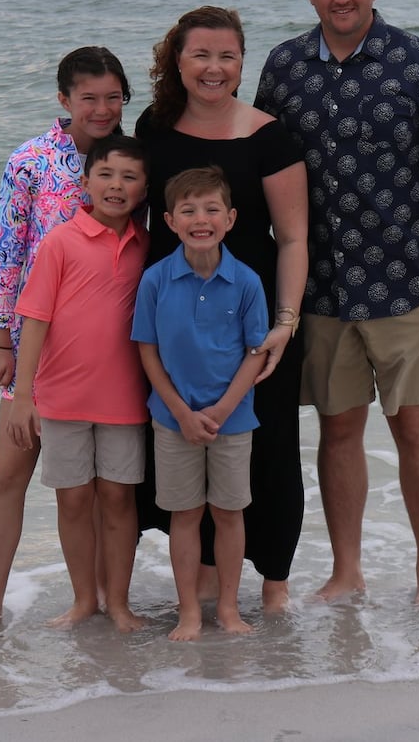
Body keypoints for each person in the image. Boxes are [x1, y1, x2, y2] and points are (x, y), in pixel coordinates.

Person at [253, 0, 419, 609]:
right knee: (338, 429)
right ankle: (347, 570)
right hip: (319, 290)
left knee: (414, 428)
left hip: (406, 283)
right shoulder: (285, 66)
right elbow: (258, 164)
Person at [0, 47, 131, 636]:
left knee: (101, 487)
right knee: (9, 474)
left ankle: (98, 598)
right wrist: (1, 342)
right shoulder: (31, 161)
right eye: (88, 98)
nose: (101, 109)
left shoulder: (132, 160)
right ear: (64, 101)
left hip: (112, 351)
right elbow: (6, 253)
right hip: (36, 351)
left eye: (112, 97)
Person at [134, 5, 308, 613]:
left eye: (227, 56)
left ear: (242, 62)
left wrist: (286, 324)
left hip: (255, 320)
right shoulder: (152, 128)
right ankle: (204, 574)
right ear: (176, 61)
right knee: (179, 442)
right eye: (200, 55)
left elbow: (292, 238)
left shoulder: (271, 135)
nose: (214, 68)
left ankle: (276, 581)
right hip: (173, 317)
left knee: (270, 447)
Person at [6, 135, 151, 631]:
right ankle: (83, 598)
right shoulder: (60, 241)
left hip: (125, 398)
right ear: (85, 183)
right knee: (72, 498)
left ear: (145, 188)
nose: (116, 186)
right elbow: (34, 319)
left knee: (117, 498)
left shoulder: (146, 246)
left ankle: (120, 602)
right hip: (62, 396)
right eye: (106, 175)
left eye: (130, 177)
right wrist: (24, 395)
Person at [133, 167, 268, 641]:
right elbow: (147, 351)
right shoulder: (155, 280)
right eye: (188, 210)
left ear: (230, 219)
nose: (200, 219)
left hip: (233, 419)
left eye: (211, 209)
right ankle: (188, 610)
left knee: (230, 514)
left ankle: (228, 609)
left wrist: (224, 408)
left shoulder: (247, 281)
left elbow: (256, 353)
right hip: (173, 420)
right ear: (169, 221)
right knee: (184, 515)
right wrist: (182, 411)